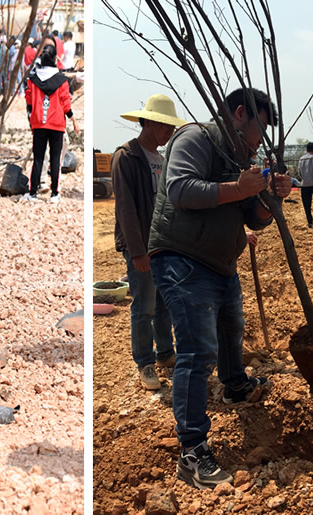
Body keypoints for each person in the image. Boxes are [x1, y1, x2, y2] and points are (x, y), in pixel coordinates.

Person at [148, 87, 292, 489]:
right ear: (240, 114)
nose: (260, 139)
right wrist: (240, 188)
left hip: (220, 263)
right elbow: (180, 189)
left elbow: (255, 216)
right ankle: (192, 451)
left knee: (232, 327)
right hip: (181, 257)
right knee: (197, 351)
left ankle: (235, 385)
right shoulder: (196, 137)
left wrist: (269, 199)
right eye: (259, 128)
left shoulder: (239, 157)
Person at [112, 94, 186, 390]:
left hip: (163, 244)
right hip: (141, 246)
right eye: (166, 126)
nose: (169, 133)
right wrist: (138, 251)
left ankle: (165, 352)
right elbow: (126, 208)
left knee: (164, 302)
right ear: (151, 122)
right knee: (144, 307)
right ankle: (145, 362)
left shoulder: (163, 159)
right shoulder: (127, 157)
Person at [22, 44, 78, 203]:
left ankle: (33, 193)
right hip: (57, 124)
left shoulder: (33, 79)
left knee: (38, 158)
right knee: (55, 160)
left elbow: (29, 99)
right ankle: (55, 194)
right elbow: (66, 104)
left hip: (39, 123)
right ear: (55, 59)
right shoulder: (61, 80)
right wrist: (72, 118)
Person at [296, 142, 313, 227]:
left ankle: (310, 221)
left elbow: (299, 172)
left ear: (306, 149)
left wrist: (303, 178)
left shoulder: (301, 159)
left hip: (305, 185)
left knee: (307, 204)